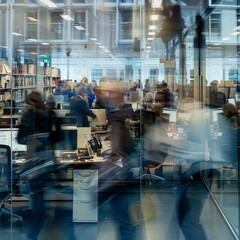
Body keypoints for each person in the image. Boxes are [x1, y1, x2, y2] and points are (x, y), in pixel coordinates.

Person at [17, 90, 62, 240]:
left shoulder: (27, 116)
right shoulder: (50, 114)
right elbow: (58, 137)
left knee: (37, 198)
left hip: (34, 162)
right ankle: (37, 230)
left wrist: (32, 141)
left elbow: (19, 139)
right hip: (48, 161)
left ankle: (33, 234)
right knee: (39, 197)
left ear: (30, 103)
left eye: (27, 104)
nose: (26, 106)